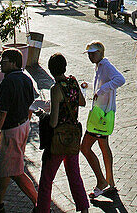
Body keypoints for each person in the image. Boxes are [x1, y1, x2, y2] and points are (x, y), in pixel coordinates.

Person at [0, 48, 39, 213]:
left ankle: (39, 203)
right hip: (23, 126)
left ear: (14, 63)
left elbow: (2, 112)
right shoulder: (26, 79)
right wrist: (26, 122)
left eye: (4, 61)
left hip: (11, 130)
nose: (1, 63)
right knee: (8, 166)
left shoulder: (7, 82)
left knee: (15, 171)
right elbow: (32, 104)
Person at [36, 53, 90, 213]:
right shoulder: (72, 81)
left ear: (51, 70)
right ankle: (84, 208)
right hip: (73, 137)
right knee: (74, 175)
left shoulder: (56, 89)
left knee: (46, 179)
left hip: (58, 139)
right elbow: (82, 102)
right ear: (65, 67)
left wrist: (43, 114)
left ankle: (43, 210)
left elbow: (53, 122)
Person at [81, 41, 125, 199]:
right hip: (101, 113)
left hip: (102, 114)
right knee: (103, 146)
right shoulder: (99, 66)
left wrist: (101, 90)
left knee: (85, 147)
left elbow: (120, 79)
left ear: (100, 53)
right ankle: (110, 181)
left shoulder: (105, 65)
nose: (91, 56)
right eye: (89, 54)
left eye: (93, 53)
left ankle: (102, 182)